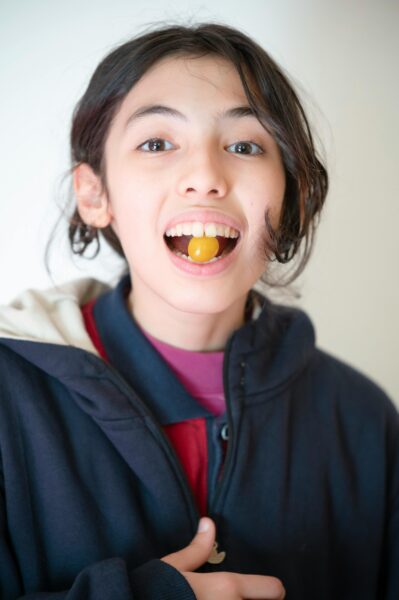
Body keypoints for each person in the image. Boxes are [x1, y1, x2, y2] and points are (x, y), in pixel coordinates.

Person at [0, 22, 397, 600]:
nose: (207, 177)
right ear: (95, 195)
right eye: (157, 143)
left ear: (290, 197)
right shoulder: (8, 397)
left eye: (244, 145)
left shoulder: (364, 422)